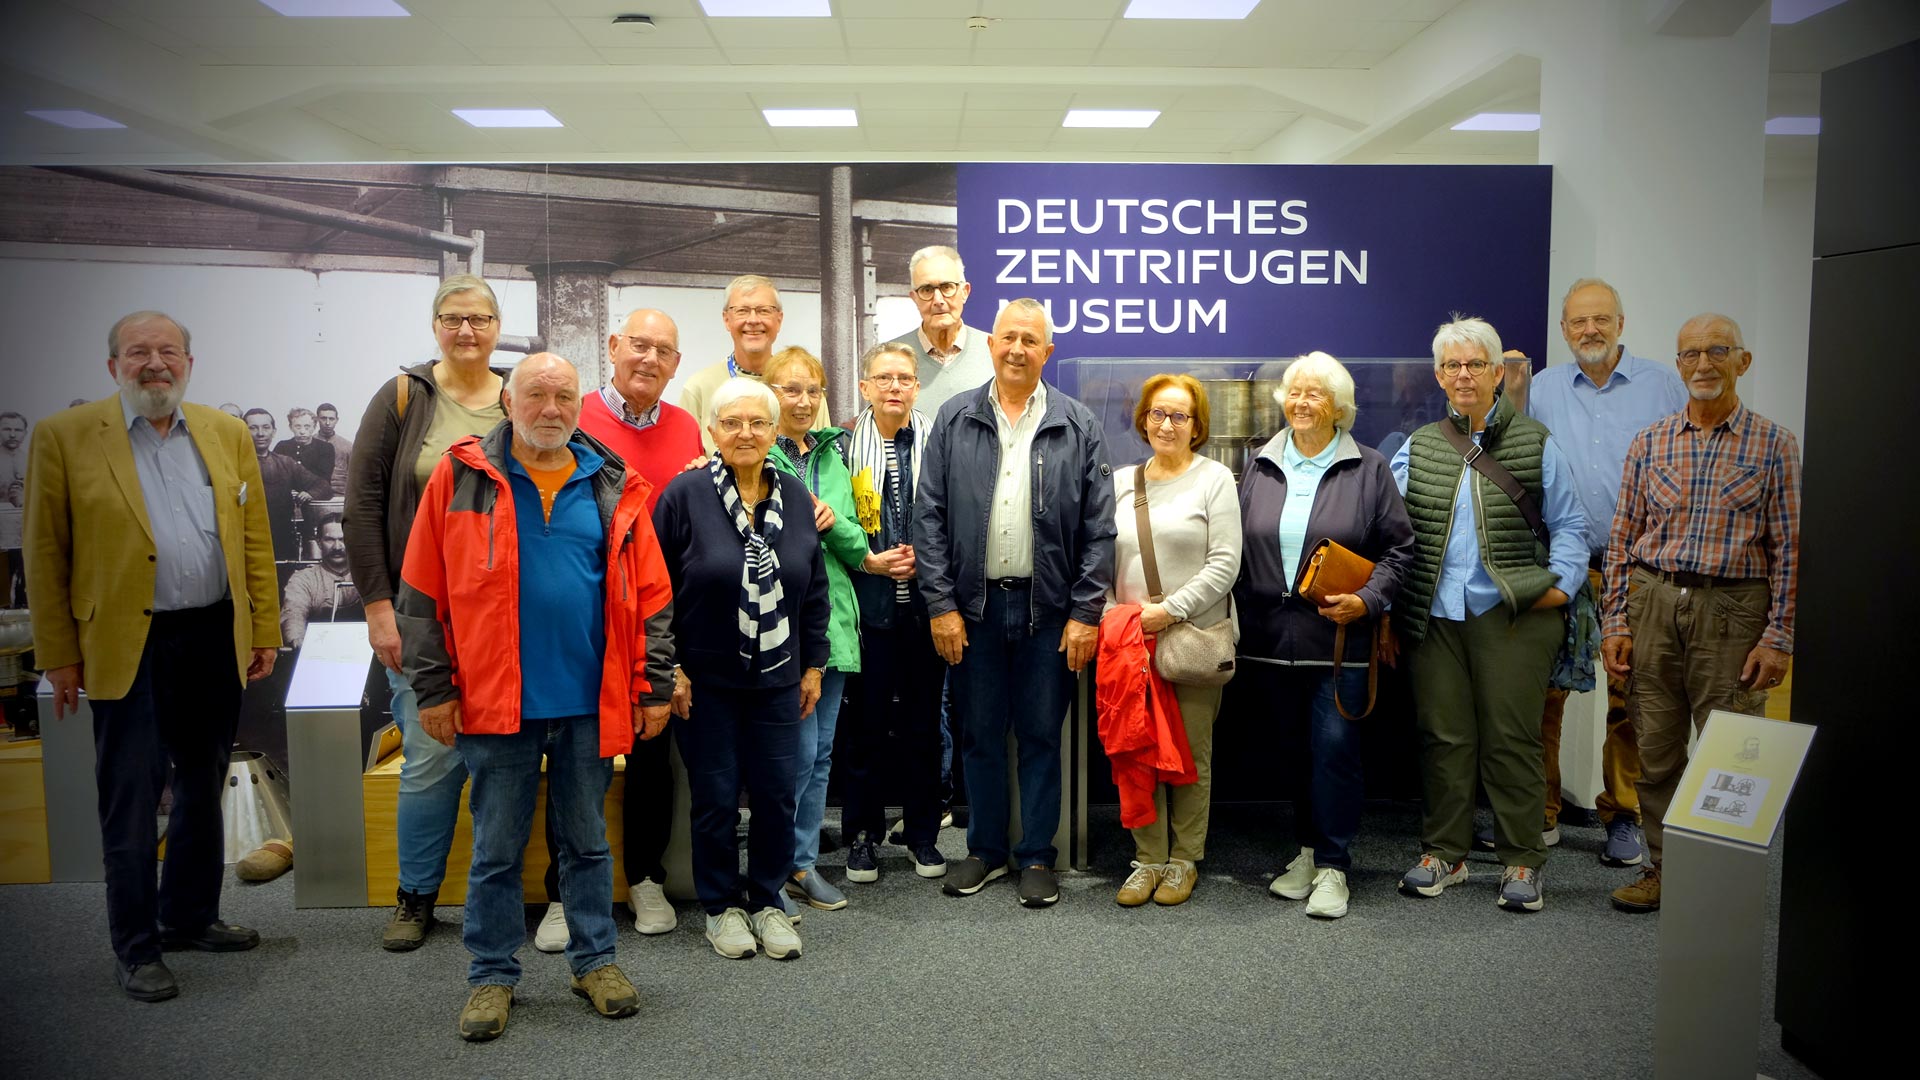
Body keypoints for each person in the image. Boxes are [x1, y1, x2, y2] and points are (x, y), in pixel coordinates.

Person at [396, 353, 673, 1040]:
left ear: (580, 404)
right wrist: (433, 687)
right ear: (508, 403)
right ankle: (491, 975)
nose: (551, 409)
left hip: (589, 701)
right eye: (536, 395)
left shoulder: (613, 483)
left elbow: (652, 599)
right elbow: (421, 594)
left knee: (586, 843)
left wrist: (654, 684)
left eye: (564, 396)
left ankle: (595, 961)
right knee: (496, 846)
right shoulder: (460, 480)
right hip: (494, 704)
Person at [25, 310, 280, 1003]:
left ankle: (189, 916)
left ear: (189, 364)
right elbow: (44, 554)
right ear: (114, 367)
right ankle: (136, 947)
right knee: (131, 799)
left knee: (202, 785)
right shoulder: (65, 437)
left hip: (210, 635)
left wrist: (263, 629)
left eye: (169, 351)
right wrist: (59, 655)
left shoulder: (223, 434)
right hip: (123, 644)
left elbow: (253, 537)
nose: (155, 363)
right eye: (138, 352)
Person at [916, 298, 1117, 907]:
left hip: (1048, 614)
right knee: (978, 736)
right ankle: (983, 851)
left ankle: (1036, 856)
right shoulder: (954, 418)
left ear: (1047, 352)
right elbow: (929, 519)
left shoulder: (1077, 424)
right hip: (971, 610)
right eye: (1008, 338)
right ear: (991, 344)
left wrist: (1085, 614)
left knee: (1039, 737)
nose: (1017, 349)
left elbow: (1099, 530)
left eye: (1031, 340)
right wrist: (941, 606)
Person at [1601, 313, 1800, 914]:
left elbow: (1789, 548)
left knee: (1731, 748)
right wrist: (1616, 622)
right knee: (1656, 747)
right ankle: (1664, 869)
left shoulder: (1774, 444)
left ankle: (1720, 881)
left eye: (1718, 352)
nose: (1703, 365)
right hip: (1654, 599)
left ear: (1743, 361)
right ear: (1678, 363)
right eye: (1690, 354)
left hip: (1734, 609)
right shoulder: (1651, 441)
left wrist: (1779, 636)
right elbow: (1622, 538)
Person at [1389, 316, 1587, 913]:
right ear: (1438, 376)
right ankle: (1443, 854)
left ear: (1499, 373)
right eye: (1453, 365)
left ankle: (1522, 861)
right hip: (1436, 614)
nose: (1464, 375)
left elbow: (1572, 526)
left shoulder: (1535, 442)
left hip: (1515, 612)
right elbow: (1390, 528)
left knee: (1512, 739)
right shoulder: (1419, 445)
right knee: (1443, 737)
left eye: (1476, 364)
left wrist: (1561, 586)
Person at [345, 273, 519, 951]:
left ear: (497, 326)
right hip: (421, 614)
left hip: (506, 614)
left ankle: (503, 891)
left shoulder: (517, 396)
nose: (466, 330)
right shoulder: (401, 398)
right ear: (435, 325)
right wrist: (378, 607)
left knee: (507, 755)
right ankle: (415, 897)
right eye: (453, 318)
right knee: (428, 753)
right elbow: (361, 507)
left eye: (479, 318)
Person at [654, 377, 830, 961]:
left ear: (775, 433)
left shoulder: (798, 499)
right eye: (732, 423)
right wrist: (670, 666)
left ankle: (768, 899)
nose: (746, 433)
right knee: (716, 797)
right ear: (712, 432)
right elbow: (656, 592)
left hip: (780, 678)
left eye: (758, 423)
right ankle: (721, 906)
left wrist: (814, 666)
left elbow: (815, 588)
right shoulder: (683, 496)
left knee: (779, 795)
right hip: (705, 681)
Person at [1519, 278, 1687, 866]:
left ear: (1621, 323)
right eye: (1578, 322)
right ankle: (1539, 814)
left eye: (1601, 320)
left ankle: (1623, 815)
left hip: (1637, 569)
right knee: (1545, 695)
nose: (1590, 331)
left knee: (1634, 697)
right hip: (1562, 565)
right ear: (1564, 330)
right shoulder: (1541, 390)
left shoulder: (1661, 386)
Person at [1240, 353, 1414, 919]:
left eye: (1315, 393)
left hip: (1338, 644)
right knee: (1291, 753)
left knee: (1335, 753)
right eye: (1295, 392)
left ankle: (1336, 866)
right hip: (1268, 641)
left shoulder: (1369, 468)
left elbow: (1400, 550)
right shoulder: (1260, 464)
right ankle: (1308, 853)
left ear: (1338, 406)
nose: (1302, 402)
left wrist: (1367, 600)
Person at [576, 306, 704, 938]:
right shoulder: (572, 418)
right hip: (588, 608)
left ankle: (646, 878)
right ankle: (563, 892)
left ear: (676, 365)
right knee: (579, 754)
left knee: (654, 745)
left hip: (660, 611)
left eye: (663, 352)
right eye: (639, 346)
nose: (649, 360)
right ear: (613, 346)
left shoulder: (687, 428)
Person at [1105, 374, 1242, 908]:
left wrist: (1168, 611)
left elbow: (1226, 563)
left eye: (1179, 416)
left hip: (1191, 638)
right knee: (1137, 752)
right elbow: (1102, 556)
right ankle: (1147, 860)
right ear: (1143, 418)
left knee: (1189, 755)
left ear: (1197, 426)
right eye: (1158, 413)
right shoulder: (1120, 481)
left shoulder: (1216, 480)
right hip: (1130, 642)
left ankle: (1184, 859)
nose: (1166, 424)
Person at [759, 346, 866, 912]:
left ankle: (802, 864)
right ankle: (771, 867)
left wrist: (832, 521)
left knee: (821, 753)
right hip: (779, 621)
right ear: (767, 392)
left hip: (835, 624)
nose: (802, 401)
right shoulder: (754, 453)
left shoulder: (833, 456)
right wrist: (803, 521)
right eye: (789, 389)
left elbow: (858, 545)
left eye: (812, 391)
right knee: (791, 754)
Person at [842, 341, 948, 884]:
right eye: (883, 379)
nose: (894, 388)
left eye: (904, 379)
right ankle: (862, 836)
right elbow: (834, 526)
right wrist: (872, 560)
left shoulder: (939, 441)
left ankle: (923, 834)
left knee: (923, 728)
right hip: (869, 611)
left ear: (916, 386)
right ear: (865, 388)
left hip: (927, 611)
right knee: (866, 728)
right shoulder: (841, 449)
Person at [678, 274, 829, 452]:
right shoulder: (699, 389)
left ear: (779, 320)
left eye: (764, 310)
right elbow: (686, 463)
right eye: (742, 311)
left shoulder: (805, 390)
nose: (753, 320)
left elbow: (823, 457)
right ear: (727, 319)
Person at [886, 245, 995, 419]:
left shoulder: (995, 351)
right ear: (914, 298)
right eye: (927, 290)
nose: (938, 300)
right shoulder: (889, 358)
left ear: (965, 292)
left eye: (947, 287)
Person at [245, 407, 330, 561]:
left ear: (274, 431)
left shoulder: (285, 463)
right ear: (243, 431)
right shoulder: (231, 464)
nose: (261, 433)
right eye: (253, 428)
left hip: (282, 542)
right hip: (245, 543)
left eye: (266, 427)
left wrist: (311, 494)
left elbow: (323, 485)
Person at [279, 514, 361, 649]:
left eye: (342, 539)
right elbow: (293, 615)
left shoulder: (368, 576)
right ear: (318, 542)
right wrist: (300, 643)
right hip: (316, 651)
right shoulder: (303, 579)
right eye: (329, 539)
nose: (337, 547)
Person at [274, 407, 336, 491]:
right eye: (298, 427)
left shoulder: (325, 448)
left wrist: (311, 493)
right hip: (287, 496)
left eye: (307, 427)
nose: (302, 431)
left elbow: (325, 478)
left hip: (316, 496)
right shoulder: (282, 447)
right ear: (290, 427)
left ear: (314, 427)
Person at [0, 410, 26, 606]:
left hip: (23, 532)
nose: (12, 434)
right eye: (6, 429)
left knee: (22, 581)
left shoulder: (33, 459)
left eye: (17, 430)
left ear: (24, 433)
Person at [315, 402, 353, 497]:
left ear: (337, 420)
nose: (327, 423)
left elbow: (354, 475)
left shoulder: (347, 446)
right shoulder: (309, 443)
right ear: (317, 419)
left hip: (341, 495)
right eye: (323, 418)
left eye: (331, 419)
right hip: (316, 495)